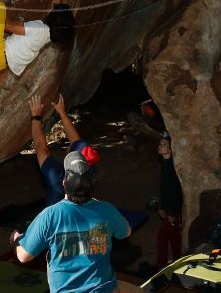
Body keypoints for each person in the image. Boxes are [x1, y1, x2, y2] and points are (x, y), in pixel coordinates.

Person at [13, 151, 131, 293]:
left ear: (64, 183)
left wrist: (15, 239)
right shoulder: (106, 209)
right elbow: (126, 232)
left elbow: (23, 256)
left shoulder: (50, 215)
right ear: (92, 183)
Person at [28, 93, 100, 206]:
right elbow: (76, 141)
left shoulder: (56, 184)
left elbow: (40, 147)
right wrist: (62, 112)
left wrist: (35, 116)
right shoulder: (89, 172)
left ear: (64, 183)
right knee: (80, 145)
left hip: (57, 220)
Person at [155, 134, 183, 269]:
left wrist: (171, 213)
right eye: (160, 143)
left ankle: (160, 266)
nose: (160, 146)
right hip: (169, 209)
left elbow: (175, 192)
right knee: (174, 237)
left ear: (171, 149)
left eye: (164, 144)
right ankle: (179, 262)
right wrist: (161, 207)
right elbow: (163, 189)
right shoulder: (165, 164)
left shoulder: (173, 167)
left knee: (162, 238)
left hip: (173, 210)